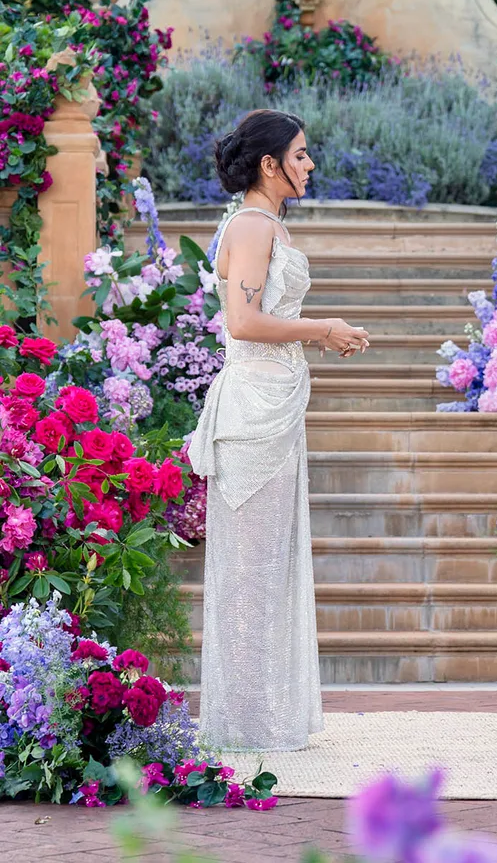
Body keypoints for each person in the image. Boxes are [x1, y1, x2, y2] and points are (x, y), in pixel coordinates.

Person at [188, 109, 370, 752]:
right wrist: (323, 329)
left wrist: (318, 337)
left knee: (268, 567)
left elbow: (266, 318)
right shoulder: (252, 225)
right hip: (252, 416)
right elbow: (242, 321)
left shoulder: (267, 226)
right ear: (269, 164)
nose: (309, 163)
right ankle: (242, 724)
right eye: (299, 154)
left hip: (278, 405)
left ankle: (263, 715)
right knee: (249, 571)